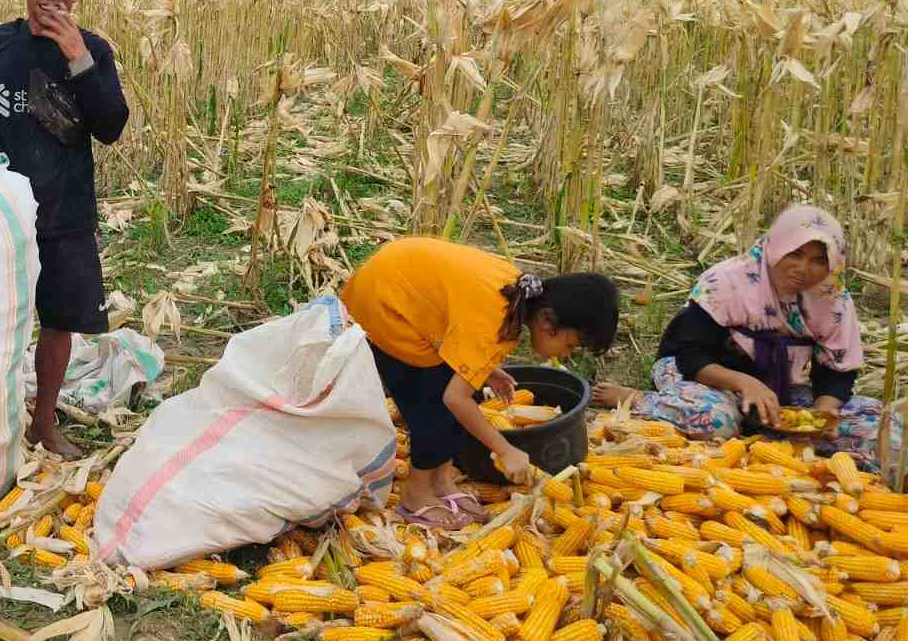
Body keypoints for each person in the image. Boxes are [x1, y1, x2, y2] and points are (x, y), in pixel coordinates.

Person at [0, 0, 129, 459]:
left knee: (58, 323)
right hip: (1, 212)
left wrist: (77, 57)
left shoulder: (93, 50)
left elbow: (111, 127)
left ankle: (43, 424)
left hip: (65, 208)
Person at [340, 237, 619, 531]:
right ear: (547, 322)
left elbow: (464, 325)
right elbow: (455, 399)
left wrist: (486, 369)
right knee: (433, 412)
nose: (566, 355)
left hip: (399, 288)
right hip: (383, 306)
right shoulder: (499, 323)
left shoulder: (517, 293)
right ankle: (416, 494)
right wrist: (505, 450)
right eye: (570, 345)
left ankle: (441, 481)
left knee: (458, 398)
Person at [593, 205, 893, 464]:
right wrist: (744, 383)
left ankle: (762, 433)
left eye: (819, 260)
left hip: (778, 385)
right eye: (796, 254)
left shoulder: (832, 298)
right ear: (777, 245)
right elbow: (690, 356)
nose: (804, 269)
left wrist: (821, 416)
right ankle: (640, 400)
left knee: (882, 427)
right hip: (702, 374)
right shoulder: (727, 282)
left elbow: (837, 372)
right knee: (717, 421)